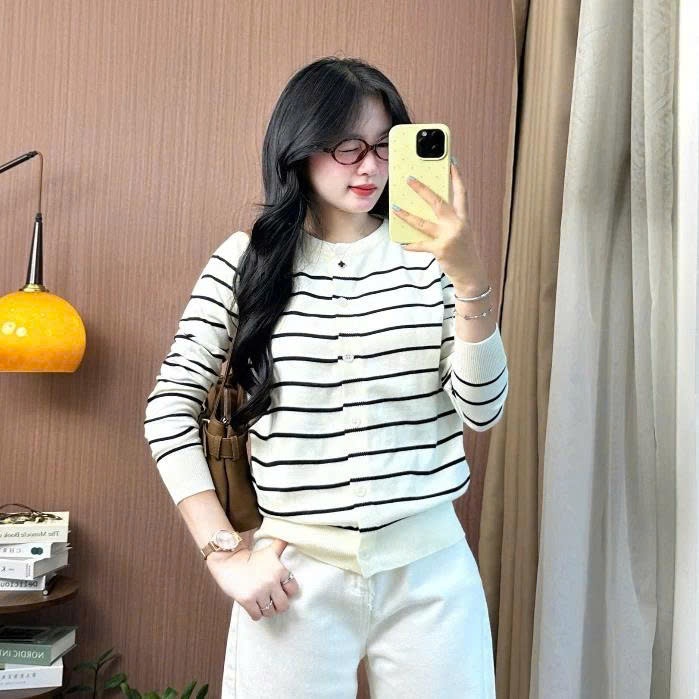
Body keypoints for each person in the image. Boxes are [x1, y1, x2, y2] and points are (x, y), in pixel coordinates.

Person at [144, 55, 508, 698]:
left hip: (430, 573)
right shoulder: (246, 262)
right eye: (346, 146)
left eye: (384, 144)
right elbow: (169, 407)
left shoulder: (432, 261)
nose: (369, 166)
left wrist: (469, 274)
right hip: (293, 576)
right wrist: (224, 554)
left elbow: (482, 411)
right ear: (299, 146)